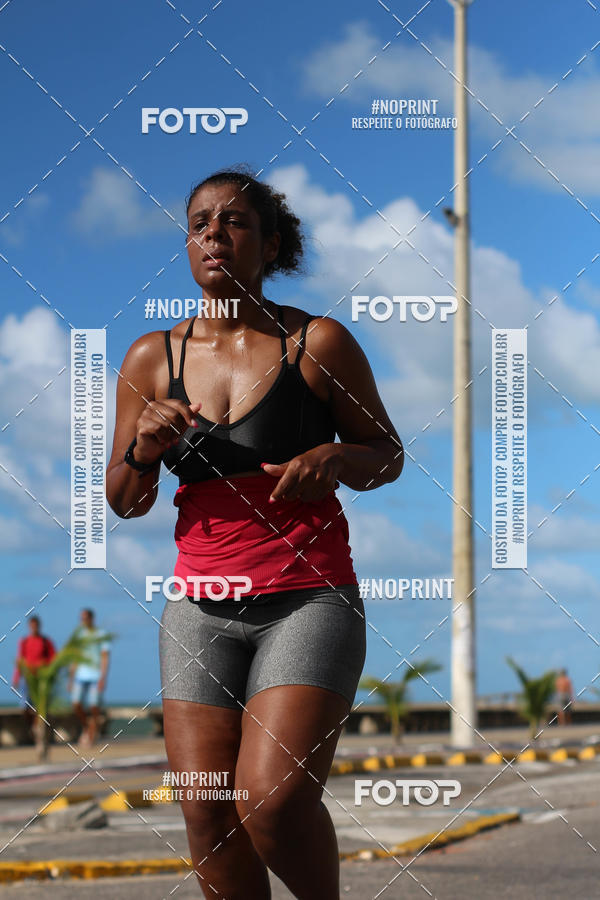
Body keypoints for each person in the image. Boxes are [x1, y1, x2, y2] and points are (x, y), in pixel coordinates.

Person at [106, 167, 404, 900]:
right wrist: (143, 445)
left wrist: (337, 456)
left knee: (270, 803)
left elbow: (387, 455)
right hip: (199, 610)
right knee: (207, 816)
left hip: (307, 602)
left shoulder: (319, 342)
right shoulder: (153, 358)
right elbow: (122, 500)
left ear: (269, 246)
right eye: (200, 222)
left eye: (235, 223)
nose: (214, 234)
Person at [68, 609, 111, 747]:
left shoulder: (101, 634)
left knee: (94, 705)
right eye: (81, 618)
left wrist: (103, 677)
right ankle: (87, 727)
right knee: (76, 703)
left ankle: (94, 731)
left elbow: (105, 657)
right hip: (80, 675)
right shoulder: (79, 636)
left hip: (95, 676)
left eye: (85, 618)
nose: (83, 621)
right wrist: (71, 678)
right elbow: (75, 658)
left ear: (92, 618)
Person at [12, 615, 56, 733]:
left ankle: (39, 729)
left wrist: (43, 664)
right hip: (27, 678)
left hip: (41, 679)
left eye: (36, 625)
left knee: (41, 706)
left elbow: (53, 659)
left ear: (39, 626)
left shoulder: (46, 641)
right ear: (29, 626)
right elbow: (20, 659)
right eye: (32, 625)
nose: (34, 628)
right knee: (25, 706)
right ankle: (33, 727)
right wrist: (16, 677)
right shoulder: (24, 641)